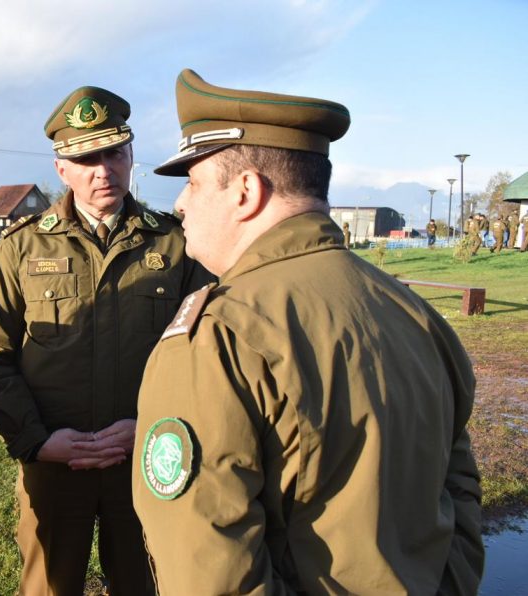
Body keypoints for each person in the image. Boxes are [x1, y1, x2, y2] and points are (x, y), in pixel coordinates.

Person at [131, 69, 484, 594]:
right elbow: (458, 487)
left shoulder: (219, 336)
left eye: (194, 181)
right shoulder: (413, 311)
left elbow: (207, 570)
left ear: (246, 191)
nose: (180, 203)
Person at [0, 86, 212, 595]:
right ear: (62, 169)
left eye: (114, 152)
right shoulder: (22, 247)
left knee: (147, 583)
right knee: (49, 587)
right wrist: (36, 441)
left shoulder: (175, 243)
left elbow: (206, 354)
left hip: (146, 463)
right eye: (86, 157)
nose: (103, 170)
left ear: (131, 155)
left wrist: (151, 429)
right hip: (55, 465)